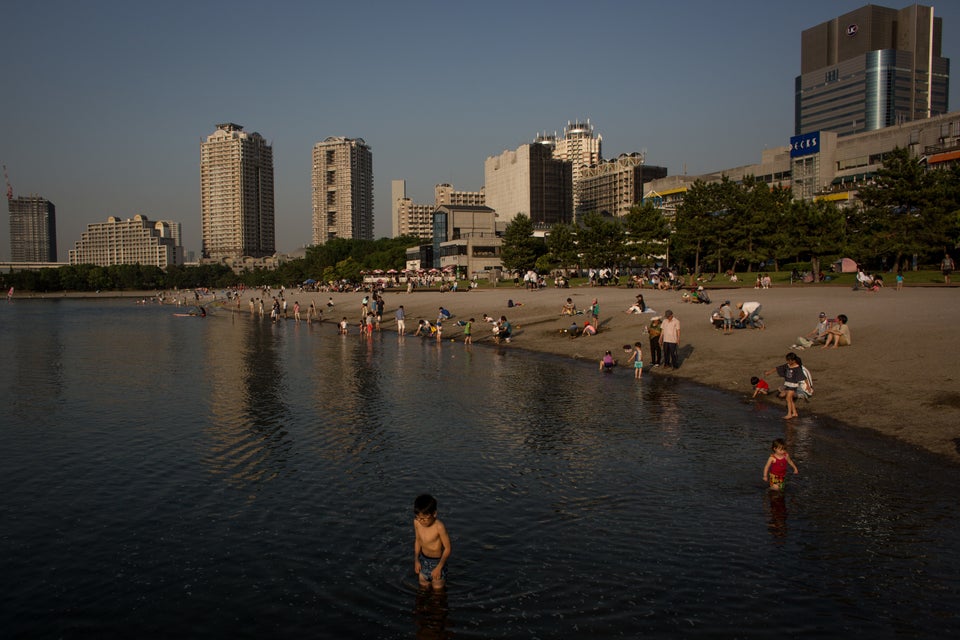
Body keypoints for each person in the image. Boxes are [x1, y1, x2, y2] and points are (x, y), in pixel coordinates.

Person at [413, 494, 451, 590]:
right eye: (418, 517)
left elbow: (448, 548)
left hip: (437, 562)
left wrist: (439, 567)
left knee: (438, 594)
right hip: (423, 561)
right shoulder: (416, 522)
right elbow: (418, 540)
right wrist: (416, 560)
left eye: (424, 518)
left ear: (434, 514)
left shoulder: (439, 527)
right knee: (422, 590)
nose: (421, 521)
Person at [764, 352, 812, 419]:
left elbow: (804, 377)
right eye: (787, 360)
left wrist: (808, 386)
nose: (788, 362)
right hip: (787, 384)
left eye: (789, 361)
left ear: (793, 360)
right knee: (790, 399)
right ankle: (794, 413)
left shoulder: (797, 368)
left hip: (793, 385)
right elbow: (778, 368)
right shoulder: (787, 365)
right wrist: (769, 372)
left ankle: (789, 414)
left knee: (788, 398)